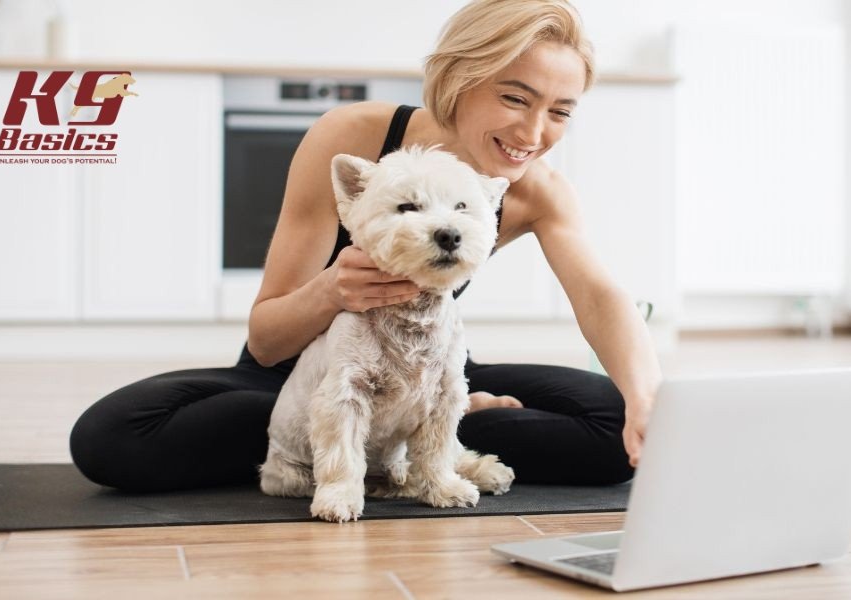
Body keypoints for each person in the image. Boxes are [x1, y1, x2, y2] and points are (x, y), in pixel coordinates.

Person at [70, 0, 663, 493]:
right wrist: (333, 290)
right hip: (296, 377)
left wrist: (645, 397)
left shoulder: (537, 190)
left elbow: (597, 293)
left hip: (426, 369)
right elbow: (268, 339)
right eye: (515, 98)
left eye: (559, 111)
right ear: (460, 77)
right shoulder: (353, 137)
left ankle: (431, 433)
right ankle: (333, 444)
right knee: (111, 437)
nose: (533, 134)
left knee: (617, 427)